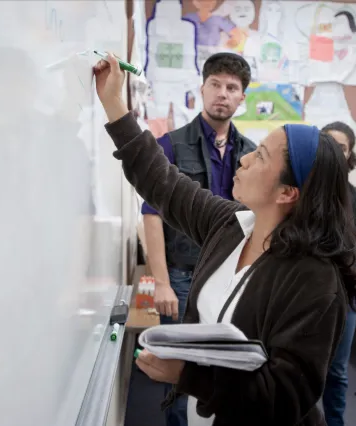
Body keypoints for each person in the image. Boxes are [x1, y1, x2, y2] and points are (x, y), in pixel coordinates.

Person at [94, 53, 356, 426]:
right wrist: (113, 103)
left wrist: (187, 376)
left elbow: (284, 397)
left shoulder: (314, 279)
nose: (246, 159)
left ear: (287, 192)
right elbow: (163, 184)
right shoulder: (234, 226)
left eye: (261, 157)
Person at [141, 52, 256, 426]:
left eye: (232, 88)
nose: (222, 93)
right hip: (182, 276)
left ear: (242, 98)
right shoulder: (170, 144)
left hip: (234, 277)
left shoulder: (252, 154)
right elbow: (152, 215)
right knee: (180, 373)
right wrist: (161, 282)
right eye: (215, 85)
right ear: (202, 88)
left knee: (226, 368)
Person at [321, 122, 356, 426]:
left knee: (337, 371)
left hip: (344, 291)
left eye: (341, 147)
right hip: (306, 292)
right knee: (300, 369)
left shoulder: (353, 195)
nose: (334, 152)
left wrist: (327, 241)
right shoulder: (299, 188)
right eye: (328, 144)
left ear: (349, 153)